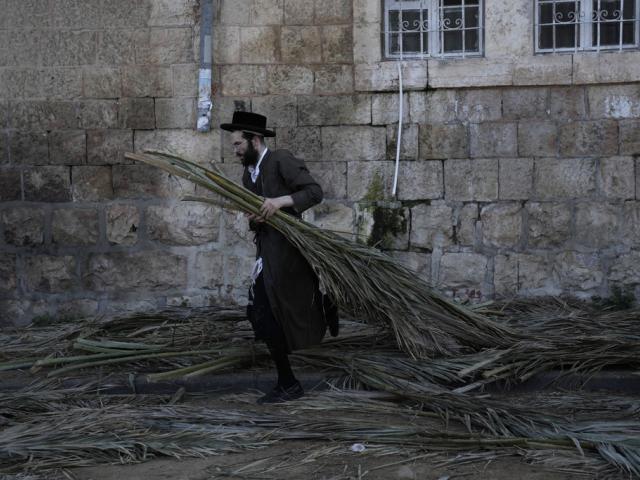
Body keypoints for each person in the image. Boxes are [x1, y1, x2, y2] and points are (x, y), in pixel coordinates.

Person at [220, 111, 339, 404]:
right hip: (267, 252)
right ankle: (289, 379)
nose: (234, 151)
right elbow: (256, 218)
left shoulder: (280, 160)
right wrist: (255, 218)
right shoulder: (248, 174)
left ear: (255, 140)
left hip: (289, 252)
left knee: (267, 310)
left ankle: (289, 382)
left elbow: (314, 192)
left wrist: (278, 203)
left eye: (238, 145)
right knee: (260, 313)